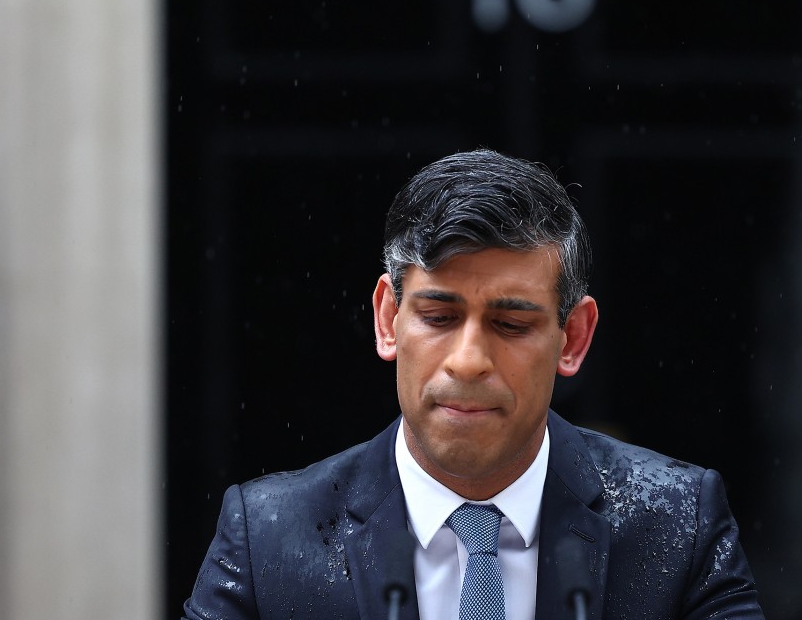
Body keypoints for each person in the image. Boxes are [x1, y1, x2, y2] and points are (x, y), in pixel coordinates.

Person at [182, 149, 764, 619]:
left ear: (573, 337)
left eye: (511, 325)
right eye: (438, 317)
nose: (467, 361)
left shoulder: (676, 522)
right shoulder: (269, 537)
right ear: (388, 319)